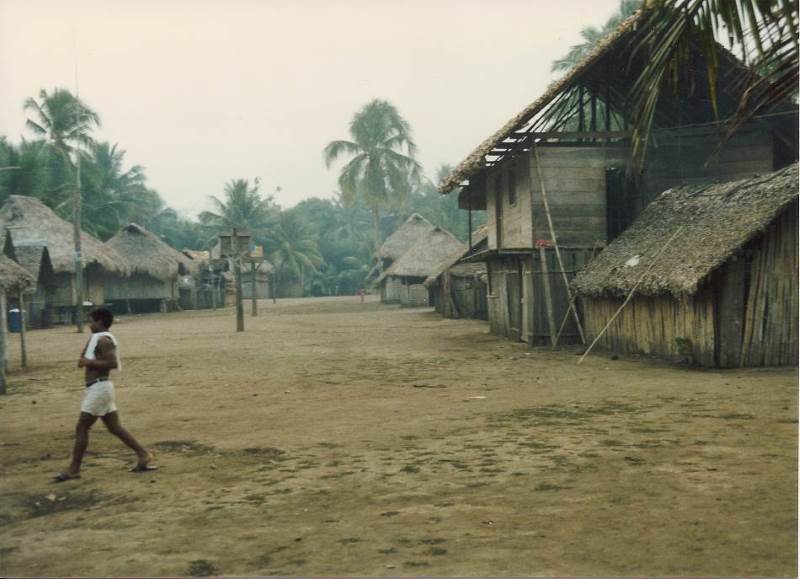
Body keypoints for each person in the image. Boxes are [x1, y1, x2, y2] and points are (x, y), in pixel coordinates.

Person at [54, 308, 155, 482]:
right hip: (100, 388)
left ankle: (74, 468)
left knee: (82, 427)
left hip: (99, 389)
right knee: (114, 427)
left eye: (91, 321)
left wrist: (89, 362)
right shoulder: (98, 338)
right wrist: (86, 359)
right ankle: (143, 454)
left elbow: (112, 363)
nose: (89, 324)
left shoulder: (103, 340)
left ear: (99, 321)